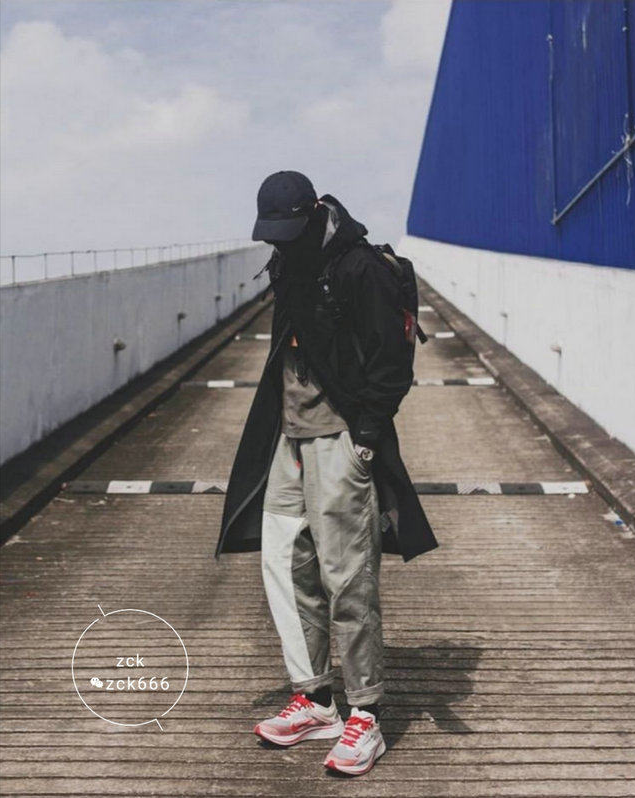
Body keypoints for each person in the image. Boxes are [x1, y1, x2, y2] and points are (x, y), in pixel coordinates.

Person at [215, 170, 439, 776]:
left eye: (287, 231)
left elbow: (393, 361)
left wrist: (366, 437)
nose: (279, 242)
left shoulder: (360, 268)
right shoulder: (287, 258)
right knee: (285, 565)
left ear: (315, 211)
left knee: (348, 576)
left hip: (341, 434)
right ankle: (316, 700)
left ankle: (365, 712)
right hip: (288, 435)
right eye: (271, 234)